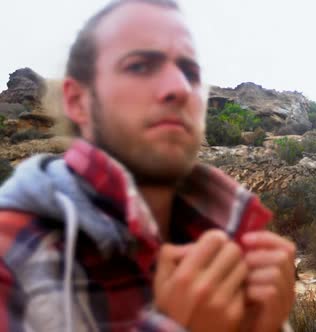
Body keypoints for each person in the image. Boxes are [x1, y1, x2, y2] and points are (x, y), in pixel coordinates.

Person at [0, 0, 296, 331]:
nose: (180, 89)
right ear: (77, 100)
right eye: (140, 66)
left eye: (191, 72)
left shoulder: (233, 241)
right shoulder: (11, 253)